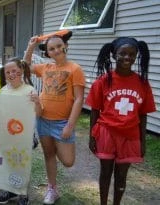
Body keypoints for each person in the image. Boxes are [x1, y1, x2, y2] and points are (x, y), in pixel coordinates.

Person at [86, 37, 155, 205]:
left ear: (137, 55)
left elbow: (143, 114)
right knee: (105, 172)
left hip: (130, 136)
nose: (127, 57)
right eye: (122, 53)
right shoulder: (103, 81)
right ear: (114, 55)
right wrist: (92, 136)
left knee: (122, 175)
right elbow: (95, 110)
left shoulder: (142, 83)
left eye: (132, 54)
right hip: (107, 133)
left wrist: (142, 141)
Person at [23, 30, 85, 204]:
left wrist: (70, 126)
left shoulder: (75, 69)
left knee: (68, 161)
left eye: (59, 46)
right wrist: (30, 47)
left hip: (62, 123)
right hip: (43, 120)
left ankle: (62, 145)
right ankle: (52, 189)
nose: (56, 50)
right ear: (47, 52)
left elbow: (79, 98)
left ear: (66, 46)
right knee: (49, 155)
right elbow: (26, 66)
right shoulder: (45, 67)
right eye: (52, 49)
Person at [0, 58, 42, 205]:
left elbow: (39, 114)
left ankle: (23, 192)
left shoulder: (29, 90)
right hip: (6, 135)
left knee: (22, 163)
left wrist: (37, 102)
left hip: (25, 135)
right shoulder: (3, 91)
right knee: (8, 163)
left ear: (21, 71)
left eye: (14, 71)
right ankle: (9, 189)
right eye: (7, 72)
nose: (11, 74)